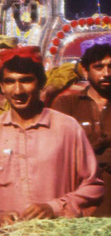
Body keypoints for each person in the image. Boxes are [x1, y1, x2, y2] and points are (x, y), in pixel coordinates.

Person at [51, 34, 111, 216]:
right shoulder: (65, 105)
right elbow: (62, 151)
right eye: (98, 67)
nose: (106, 73)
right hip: (76, 204)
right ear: (85, 70)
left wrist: (87, 155)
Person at [0, 46, 102, 220]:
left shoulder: (66, 128)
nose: (18, 91)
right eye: (10, 82)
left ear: (41, 83)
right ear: (1, 87)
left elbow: (93, 186)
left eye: (26, 81)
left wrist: (54, 208)